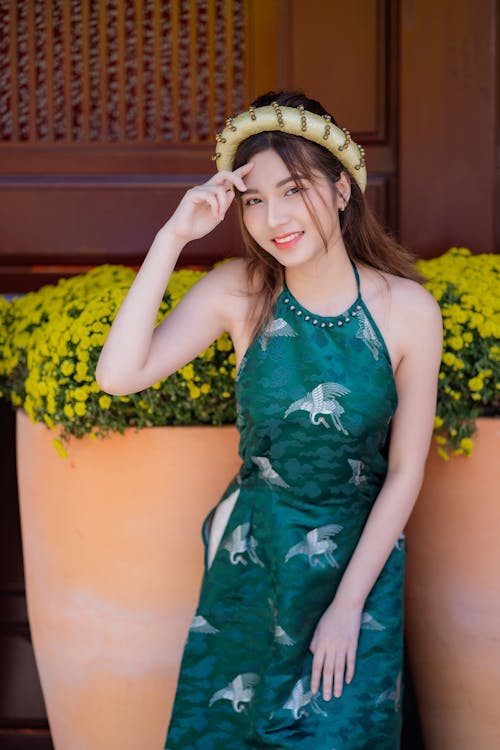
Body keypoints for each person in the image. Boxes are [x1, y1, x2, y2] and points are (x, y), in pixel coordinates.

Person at [96, 90, 443, 749]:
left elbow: (404, 472)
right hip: (251, 563)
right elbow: (117, 376)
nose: (273, 217)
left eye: (293, 189)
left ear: (341, 190)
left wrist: (348, 606)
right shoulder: (241, 293)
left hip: (355, 568)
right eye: (254, 200)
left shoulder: (408, 312)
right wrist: (174, 237)